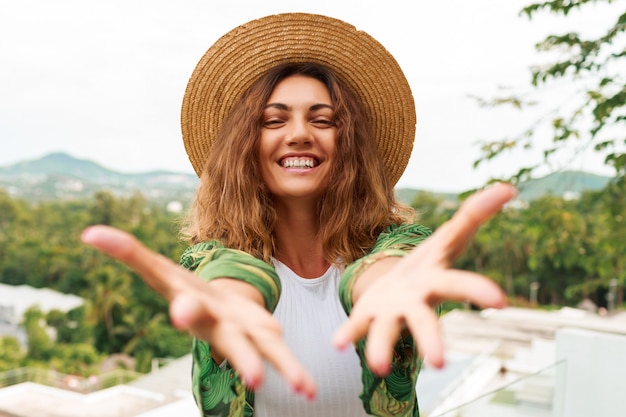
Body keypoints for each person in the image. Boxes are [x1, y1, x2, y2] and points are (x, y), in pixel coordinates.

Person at [81, 13, 517, 417]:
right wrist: (233, 299)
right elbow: (236, 278)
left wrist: (384, 287)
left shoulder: (397, 247)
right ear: (246, 146)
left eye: (322, 119)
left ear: (348, 144)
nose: (299, 134)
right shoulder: (212, 262)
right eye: (274, 120)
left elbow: (381, 271)